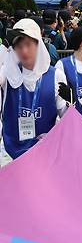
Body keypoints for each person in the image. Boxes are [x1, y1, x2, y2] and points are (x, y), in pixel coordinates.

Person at [1, 18, 68, 160]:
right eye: (18, 45)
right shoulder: (7, 75)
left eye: (28, 44)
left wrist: (71, 103)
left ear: (38, 45)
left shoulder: (55, 75)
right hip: (10, 155)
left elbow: (67, 119)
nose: (24, 51)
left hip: (44, 153)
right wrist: (4, 46)